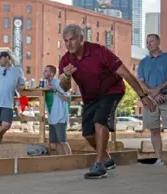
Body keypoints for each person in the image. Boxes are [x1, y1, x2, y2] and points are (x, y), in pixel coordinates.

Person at [58, 24, 155, 179]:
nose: (69, 44)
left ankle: (99, 165)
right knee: (88, 134)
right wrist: (67, 76)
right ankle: (107, 159)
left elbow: (127, 74)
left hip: (112, 90)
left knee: (99, 122)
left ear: (81, 39)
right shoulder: (66, 60)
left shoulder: (100, 52)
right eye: (66, 41)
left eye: (72, 40)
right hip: (91, 97)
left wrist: (142, 96)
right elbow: (64, 87)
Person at [137, 34, 167, 162]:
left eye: (152, 41)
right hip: (150, 99)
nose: (149, 44)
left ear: (158, 42)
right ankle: (159, 159)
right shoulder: (143, 62)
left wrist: (159, 88)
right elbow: (141, 82)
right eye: (147, 42)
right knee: (154, 130)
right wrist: (153, 94)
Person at [43, 65, 72, 155]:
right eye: (44, 71)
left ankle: (70, 159)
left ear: (52, 73)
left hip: (60, 116)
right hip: (52, 117)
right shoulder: (45, 84)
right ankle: (62, 159)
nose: (44, 73)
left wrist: (54, 90)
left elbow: (67, 98)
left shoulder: (59, 83)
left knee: (63, 141)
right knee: (55, 142)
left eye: (46, 71)